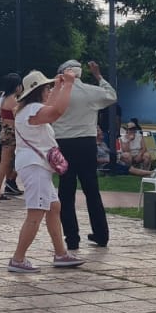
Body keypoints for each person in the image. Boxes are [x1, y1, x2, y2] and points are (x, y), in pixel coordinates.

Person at [7, 69, 85, 273]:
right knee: (36, 212)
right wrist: (68, 85)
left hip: (36, 165)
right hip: (35, 167)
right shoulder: (32, 109)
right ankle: (18, 258)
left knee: (53, 207)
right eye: (48, 88)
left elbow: (51, 107)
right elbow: (56, 111)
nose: (50, 90)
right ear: (39, 90)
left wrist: (59, 86)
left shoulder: (30, 109)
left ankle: (60, 253)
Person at [50, 60, 117, 250]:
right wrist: (99, 76)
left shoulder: (58, 93)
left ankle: (72, 238)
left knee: (66, 191)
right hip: (87, 144)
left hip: (64, 143)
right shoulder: (90, 91)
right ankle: (101, 234)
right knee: (92, 190)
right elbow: (111, 95)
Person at [0, 73, 25, 201]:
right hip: (11, 133)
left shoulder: (4, 98)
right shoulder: (13, 101)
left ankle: (8, 185)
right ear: (16, 86)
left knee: (9, 163)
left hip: (5, 131)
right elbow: (20, 116)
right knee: (5, 163)